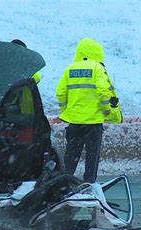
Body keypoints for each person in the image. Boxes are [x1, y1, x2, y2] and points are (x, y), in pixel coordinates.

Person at [56, 37, 122, 183]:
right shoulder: (97, 68)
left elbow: (60, 93)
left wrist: (66, 109)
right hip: (93, 122)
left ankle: (65, 183)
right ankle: (89, 183)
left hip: (74, 121)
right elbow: (104, 92)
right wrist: (106, 110)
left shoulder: (70, 69)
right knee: (92, 155)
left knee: (71, 154)